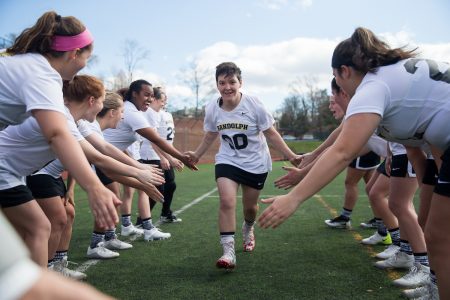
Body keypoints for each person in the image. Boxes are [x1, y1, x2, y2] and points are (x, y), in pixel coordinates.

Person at [259, 27, 449, 299]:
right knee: (434, 233)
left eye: (336, 77)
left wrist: (294, 199)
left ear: (344, 71)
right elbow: (422, 148)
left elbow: (342, 152)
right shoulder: (396, 81)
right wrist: (429, 198)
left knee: (440, 238)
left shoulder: (373, 86)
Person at [0, 10, 119, 230]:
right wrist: (94, 187)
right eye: (87, 57)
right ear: (74, 53)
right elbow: (56, 134)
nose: (86, 64)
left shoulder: (26, 63)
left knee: (37, 228)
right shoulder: (42, 74)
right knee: (37, 229)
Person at [186, 62, 301, 269]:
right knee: (227, 201)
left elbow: (271, 133)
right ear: (217, 85)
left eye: (232, 81)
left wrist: (291, 155)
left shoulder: (254, 104)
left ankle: (248, 228)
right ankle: (228, 251)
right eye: (222, 82)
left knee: (250, 207)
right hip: (227, 160)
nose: (227, 87)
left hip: (255, 162)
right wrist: (197, 154)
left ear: (240, 83)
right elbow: (211, 134)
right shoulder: (212, 107)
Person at [103, 80, 197, 242]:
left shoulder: (134, 111)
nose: (149, 99)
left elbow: (116, 144)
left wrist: (133, 162)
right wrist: (181, 158)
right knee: (111, 197)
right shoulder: (131, 112)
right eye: (146, 94)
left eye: (152, 96)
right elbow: (157, 140)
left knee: (121, 194)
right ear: (134, 93)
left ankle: (131, 230)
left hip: (108, 157)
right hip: (100, 158)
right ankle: (111, 237)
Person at [322, 79, 380, 229]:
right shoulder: (356, 109)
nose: (330, 107)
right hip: (381, 151)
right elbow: (338, 134)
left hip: (374, 152)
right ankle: (381, 222)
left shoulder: (358, 109)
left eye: (333, 101)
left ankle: (346, 217)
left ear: (343, 95)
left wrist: (306, 169)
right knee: (374, 189)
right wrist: (313, 155)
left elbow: (340, 151)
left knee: (354, 183)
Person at [138, 87, 184, 225]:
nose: (164, 103)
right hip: (151, 155)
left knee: (171, 185)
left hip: (164, 153)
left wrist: (173, 156)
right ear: (155, 99)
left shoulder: (165, 114)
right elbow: (153, 139)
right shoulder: (149, 114)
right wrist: (165, 158)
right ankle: (142, 220)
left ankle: (165, 213)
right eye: (162, 100)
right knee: (158, 188)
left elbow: (167, 140)